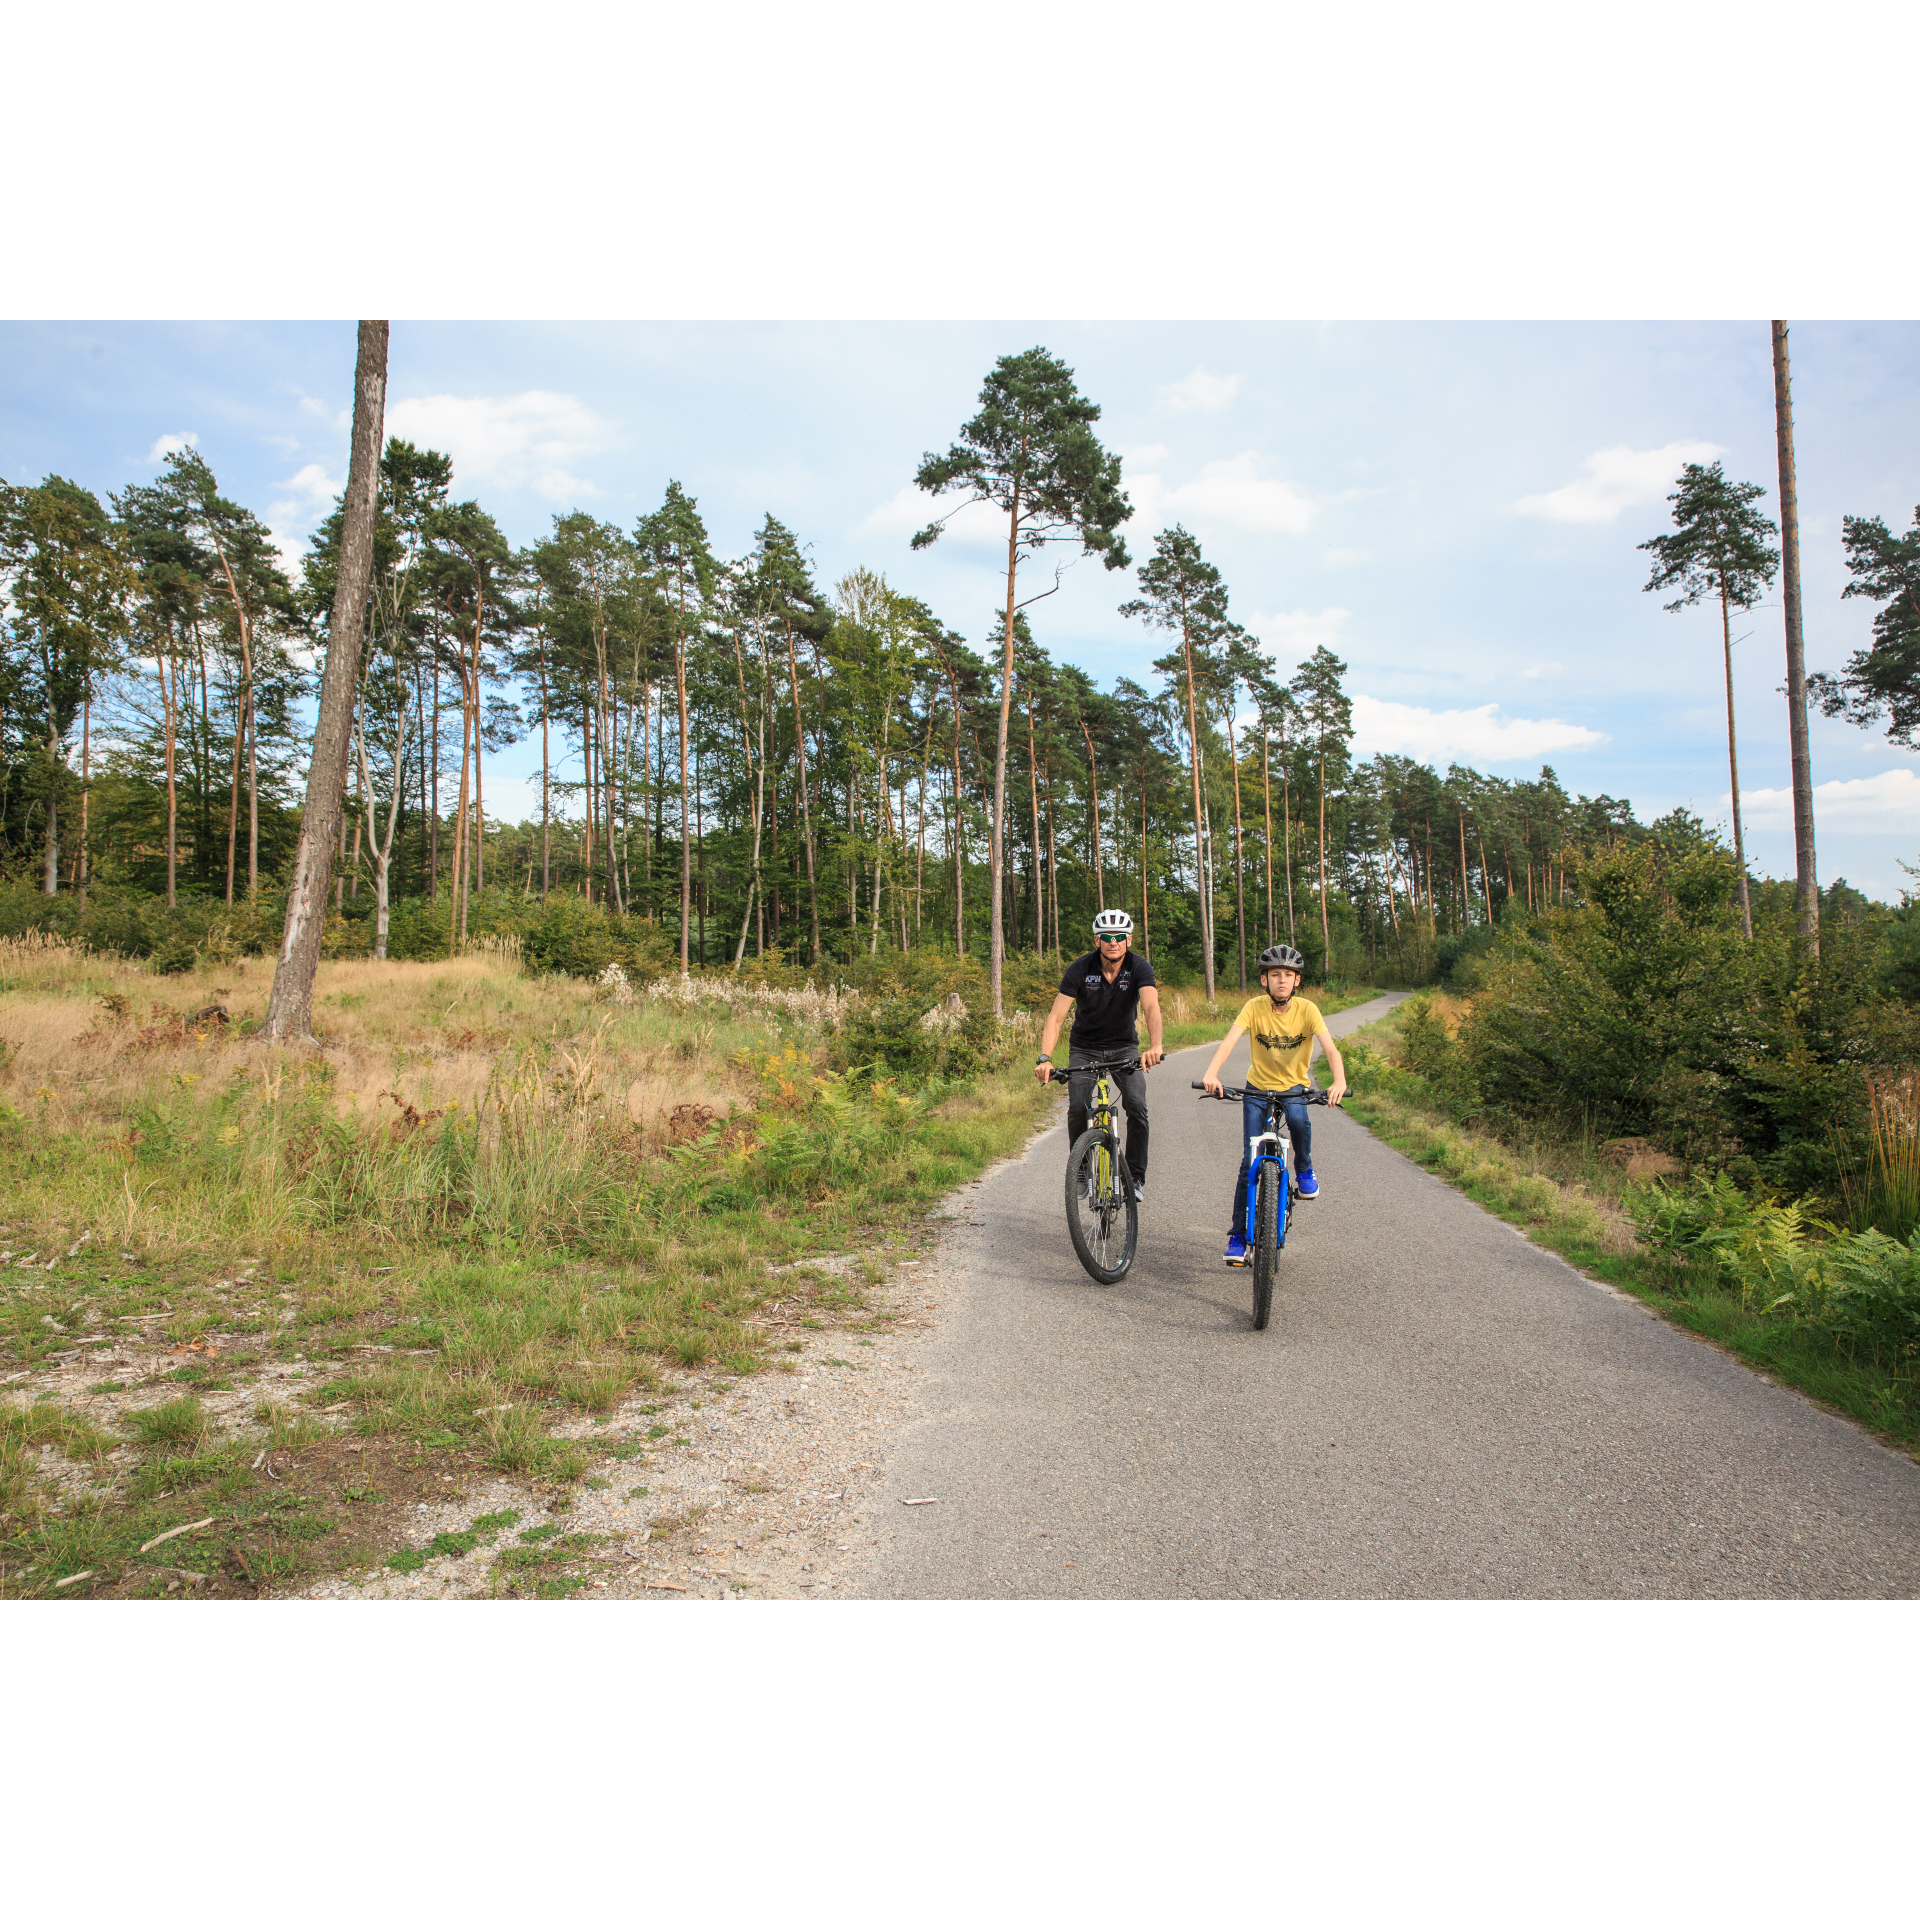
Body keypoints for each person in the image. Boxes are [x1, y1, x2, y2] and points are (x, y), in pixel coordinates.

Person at [1201, 943, 1348, 1265]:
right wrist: (1211, 1073)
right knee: (1247, 1163)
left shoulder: (1308, 1009)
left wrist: (1339, 1081)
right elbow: (1228, 1042)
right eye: (1275, 974)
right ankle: (1238, 1236)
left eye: (1288, 975)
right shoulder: (1254, 1007)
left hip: (1294, 1087)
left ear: (1297, 981)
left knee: (1298, 1121)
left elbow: (1331, 1050)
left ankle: (1304, 1168)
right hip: (1257, 1089)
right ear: (1264, 980)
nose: (1282, 980)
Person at [1034, 908, 1165, 1199]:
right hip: (1084, 1047)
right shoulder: (1080, 969)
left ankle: (1135, 1179)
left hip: (1124, 1047)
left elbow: (1151, 1007)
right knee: (1078, 1108)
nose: (1113, 942)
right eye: (1107, 937)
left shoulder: (1139, 968)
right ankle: (1081, 1168)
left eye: (1119, 937)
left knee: (1137, 1105)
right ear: (1097, 940)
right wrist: (1045, 1058)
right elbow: (1056, 1017)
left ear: (1129, 940)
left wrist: (1155, 1046)